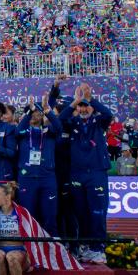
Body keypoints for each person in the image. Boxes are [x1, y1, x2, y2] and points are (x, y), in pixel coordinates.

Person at [58, 83, 113, 264]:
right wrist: (75, 102)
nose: (83, 108)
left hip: (96, 173)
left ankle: (98, 249)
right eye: (80, 106)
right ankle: (85, 246)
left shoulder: (99, 122)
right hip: (76, 174)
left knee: (97, 212)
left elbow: (108, 114)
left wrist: (90, 99)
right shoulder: (71, 122)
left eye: (85, 105)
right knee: (80, 212)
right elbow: (59, 120)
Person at [16, 100, 62, 235]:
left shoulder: (49, 132)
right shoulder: (22, 132)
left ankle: (52, 245)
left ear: (42, 115)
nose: (35, 114)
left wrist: (49, 112)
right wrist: (29, 112)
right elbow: (18, 131)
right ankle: (29, 245)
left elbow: (59, 128)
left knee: (50, 214)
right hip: (27, 178)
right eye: (32, 112)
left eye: (37, 111)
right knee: (28, 213)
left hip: (47, 178)